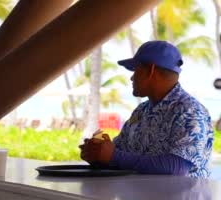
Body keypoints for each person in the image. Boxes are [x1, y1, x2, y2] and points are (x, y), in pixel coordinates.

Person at [80, 40, 214, 178]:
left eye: (136, 70)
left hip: (178, 199)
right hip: (141, 199)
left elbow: (178, 167)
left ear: (151, 70)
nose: (132, 78)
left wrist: (113, 156)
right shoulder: (141, 111)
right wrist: (97, 155)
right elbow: (119, 155)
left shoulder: (190, 111)